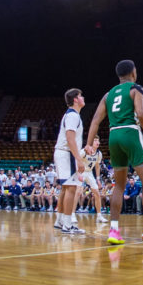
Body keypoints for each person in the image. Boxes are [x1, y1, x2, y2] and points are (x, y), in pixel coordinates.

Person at [85, 60, 143, 246]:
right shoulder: (136, 88)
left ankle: (114, 231)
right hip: (131, 132)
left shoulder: (108, 94)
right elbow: (140, 113)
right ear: (133, 72)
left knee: (119, 186)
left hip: (113, 136)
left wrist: (89, 143)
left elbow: (95, 121)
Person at [54, 88, 87, 234]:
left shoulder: (71, 115)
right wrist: (79, 159)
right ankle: (67, 225)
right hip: (66, 154)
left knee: (66, 188)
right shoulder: (73, 116)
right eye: (81, 96)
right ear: (75, 99)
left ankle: (60, 220)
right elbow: (70, 138)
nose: (83, 98)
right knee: (71, 188)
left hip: (63, 153)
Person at [81, 136, 108, 223]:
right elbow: (76, 160)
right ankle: (72, 214)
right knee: (78, 192)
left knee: (97, 193)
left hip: (89, 173)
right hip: (81, 172)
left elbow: (97, 166)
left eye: (98, 140)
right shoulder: (84, 151)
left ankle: (99, 216)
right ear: (91, 142)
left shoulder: (99, 154)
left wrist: (98, 178)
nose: (97, 142)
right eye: (95, 140)